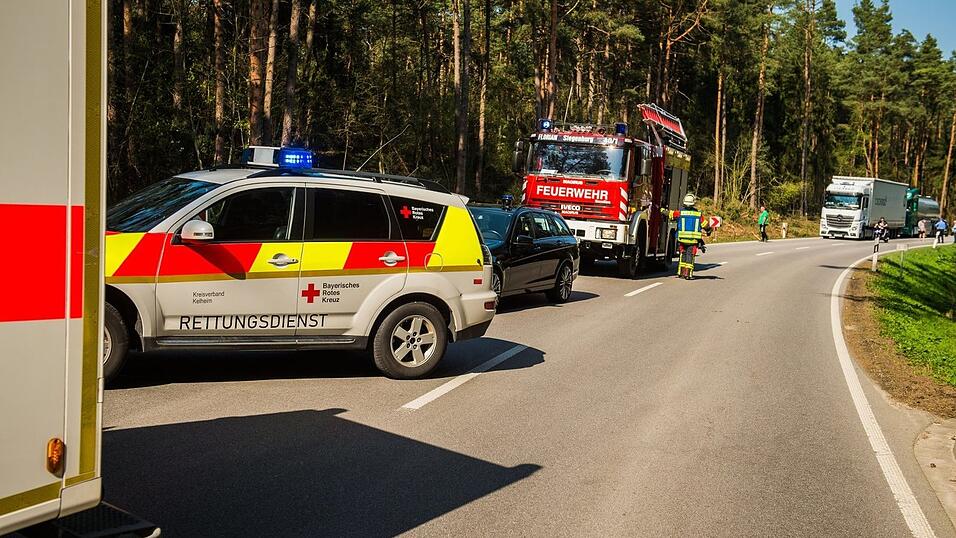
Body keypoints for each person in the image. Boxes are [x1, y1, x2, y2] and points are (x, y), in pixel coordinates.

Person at [671, 193, 711, 280]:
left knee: (682, 255)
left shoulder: (680, 213)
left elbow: (671, 214)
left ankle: (681, 273)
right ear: (694, 203)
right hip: (693, 241)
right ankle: (688, 274)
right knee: (690, 256)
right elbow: (705, 225)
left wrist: (662, 210)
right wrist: (709, 230)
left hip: (682, 239)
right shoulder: (698, 215)